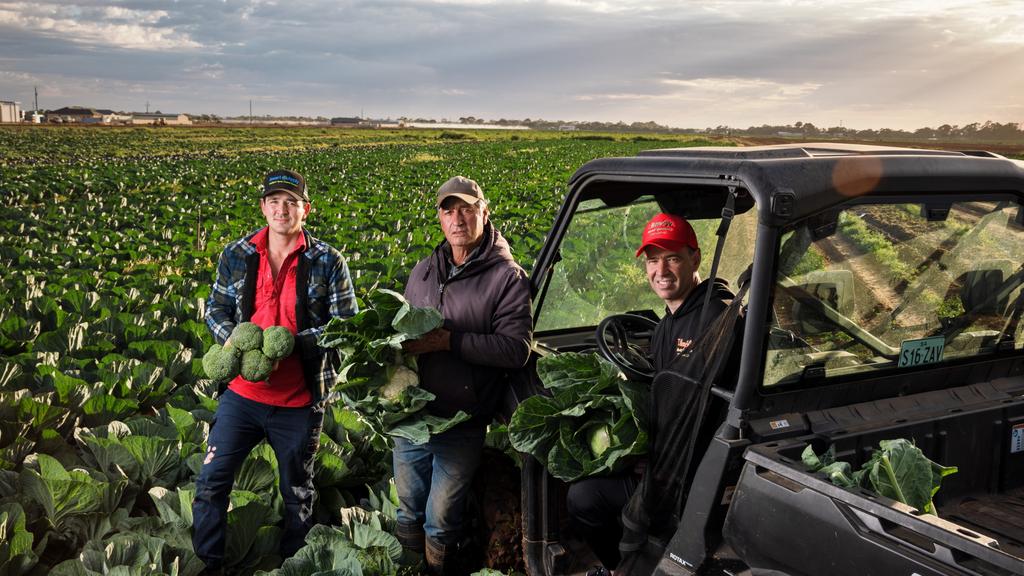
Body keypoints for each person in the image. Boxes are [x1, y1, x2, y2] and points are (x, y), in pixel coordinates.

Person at [192, 169, 358, 574]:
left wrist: (294, 342)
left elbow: (347, 324)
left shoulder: (327, 260)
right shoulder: (236, 254)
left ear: (306, 209)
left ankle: (294, 565)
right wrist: (232, 338)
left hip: (299, 401)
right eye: (274, 201)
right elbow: (214, 308)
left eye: (291, 202)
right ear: (264, 207)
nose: (282, 209)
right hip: (242, 397)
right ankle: (208, 565)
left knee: (297, 492)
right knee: (211, 482)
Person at [566, 212, 734, 576]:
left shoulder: (713, 320)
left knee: (583, 499)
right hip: (669, 462)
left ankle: (626, 568)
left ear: (696, 259)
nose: (661, 270)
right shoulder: (670, 322)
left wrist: (647, 455)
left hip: (684, 475)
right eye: (653, 260)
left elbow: (690, 409)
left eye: (672, 257)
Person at [396, 176, 533, 575]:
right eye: (449, 210)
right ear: (439, 217)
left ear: (484, 213)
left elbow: (516, 349)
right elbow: (403, 330)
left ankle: (440, 570)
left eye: (467, 209)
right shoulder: (424, 270)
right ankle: (409, 569)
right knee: (408, 510)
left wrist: (447, 342)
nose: (458, 218)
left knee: (440, 519)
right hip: (410, 418)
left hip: (461, 419)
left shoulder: (506, 277)